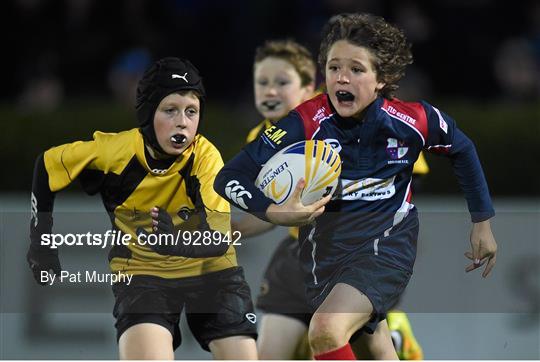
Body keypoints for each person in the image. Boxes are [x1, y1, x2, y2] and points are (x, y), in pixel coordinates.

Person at [215, 13, 497, 360]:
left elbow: (462, 149)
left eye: (356, 69)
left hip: (386, 249)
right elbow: (228, 177)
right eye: (334, 68)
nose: (341, 78)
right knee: (375, 349)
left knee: (325, 329)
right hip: (323, 257)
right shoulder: (305, 122)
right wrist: (276, 212)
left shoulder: (412, 121)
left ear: (382, 79)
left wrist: (482, 222)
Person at [26, 57, 258, 360]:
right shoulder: (114, 152)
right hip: (143, 275)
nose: (183, 122)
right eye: (170, 110)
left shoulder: (206, 158)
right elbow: (46, 165)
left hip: (212, 274)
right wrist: (40, 243)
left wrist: (175, 242)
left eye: (191, 111)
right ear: (148, 114)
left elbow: (217, 241)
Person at [240, 39, 426, 360]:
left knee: (344, 341)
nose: (271, 92)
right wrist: (218, 231)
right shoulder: (261, 140)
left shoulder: (348, 118)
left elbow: (412, 171)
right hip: (299, 254)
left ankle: (392, 327)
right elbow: (269, 213)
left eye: (282, 83)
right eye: (262, 83)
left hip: (358, 252)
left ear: (310, 88)